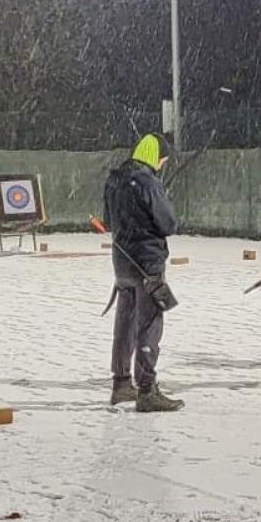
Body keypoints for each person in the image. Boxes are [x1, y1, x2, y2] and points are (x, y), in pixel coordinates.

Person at [103, 133, 182, 412]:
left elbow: (108, 220)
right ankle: (147, 389)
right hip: (147, 264)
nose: (162, 164)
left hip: (122, 262)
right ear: (153, 156)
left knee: (124, 323)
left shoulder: (115, 180)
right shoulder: (147, 182)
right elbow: (168, 223)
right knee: (149, 324)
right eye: (162, 159)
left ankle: (121, 383)